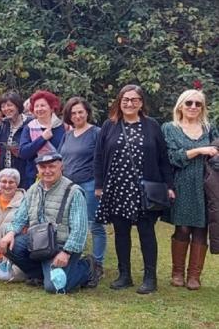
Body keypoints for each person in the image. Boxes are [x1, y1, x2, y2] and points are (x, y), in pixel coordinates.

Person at [95, 84, 173, 294]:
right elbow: (99, 157)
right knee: (121, 233)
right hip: (117, 188)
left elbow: (163, 158)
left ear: (141, 103)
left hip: (144, 189)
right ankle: (125, 275)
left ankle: (150, 277)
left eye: (134, 100)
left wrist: (169, 186)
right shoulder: (109, 126)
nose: (129, 103)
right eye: (125, 100)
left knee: (147, 233)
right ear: (119, 103)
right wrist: (99, 185)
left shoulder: (152, 125)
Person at [0, 153, 95, 293]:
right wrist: (10, 233)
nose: (47, 171)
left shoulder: (73, 192)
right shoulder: (33, 189)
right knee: (9, 245)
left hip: (61, 244)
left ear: (61, 167)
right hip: (38, 243)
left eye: (52, 166)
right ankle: (41, 275)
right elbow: (20, 217)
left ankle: (86, 267)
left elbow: (79, 229)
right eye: (43, 167)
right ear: (38, 169)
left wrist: (66, 252)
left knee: (54, 288)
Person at [162, 89, 216, 290]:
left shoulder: (210, 129)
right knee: (183, 227)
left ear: (202, 108)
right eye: (189, 103)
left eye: (198, 104)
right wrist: (200, 150)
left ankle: (194, 275)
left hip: (205, 185)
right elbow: (172, 157)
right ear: (180, 106)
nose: (193, 107)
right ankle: (177, 272)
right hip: (182, 184)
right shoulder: (169, 128)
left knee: (201, 229)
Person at [58, 96, 105, 283]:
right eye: (73, 112)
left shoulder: (96, 133)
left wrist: (100, 185)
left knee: (94, 224)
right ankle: (76, 260)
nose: (77, 115)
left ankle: (97, 263)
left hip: (90, 184)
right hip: (69, 186)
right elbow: (60, 158)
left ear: (87, 113)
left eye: (80, 112)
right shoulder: (67, 135)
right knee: (71, 224)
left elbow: (102, 159)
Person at [18, 90, 66, 184]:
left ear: (52, 108)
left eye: (43, 105)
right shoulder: (29, 128)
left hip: (61, 176)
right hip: (35, 177)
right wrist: (42, 138)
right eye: (36, 106)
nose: (39, 109)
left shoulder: (64, 127)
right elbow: (23, 153)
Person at [0, 92, 32, 186]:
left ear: (17, 106)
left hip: (24, 172)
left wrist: (20, 152)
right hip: (5, 173)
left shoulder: (30, 123)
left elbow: (35, 148)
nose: (6, 109)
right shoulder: (3, 123)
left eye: (9, 105)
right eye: (3, 106)